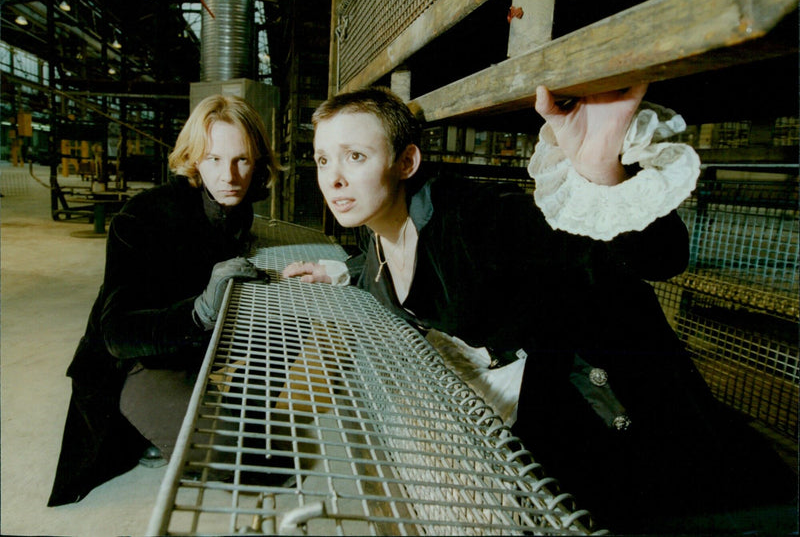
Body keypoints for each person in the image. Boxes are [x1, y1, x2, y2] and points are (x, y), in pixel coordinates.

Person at [283, 86, 796, 533]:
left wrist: (602, 172)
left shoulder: (474, 221)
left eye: (354, 157)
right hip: (554, 410)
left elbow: (656, 258)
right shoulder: (377, 245)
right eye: (324, 159)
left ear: (406, 162)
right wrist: (339, 271)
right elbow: (387, 271)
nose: (334, 180)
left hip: (621, 404)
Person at [47, 94, 280, 507]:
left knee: (286, 332)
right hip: (133, 365)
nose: (229, 175)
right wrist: (200, 311)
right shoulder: (143, 217)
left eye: (242, 160)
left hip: (187, 347)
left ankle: (212, 406)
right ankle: (140, 425)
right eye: (213, 159)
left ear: (259, 163)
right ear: (193, 159)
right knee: (245, 464)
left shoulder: (235, 206)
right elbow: (117, 333)